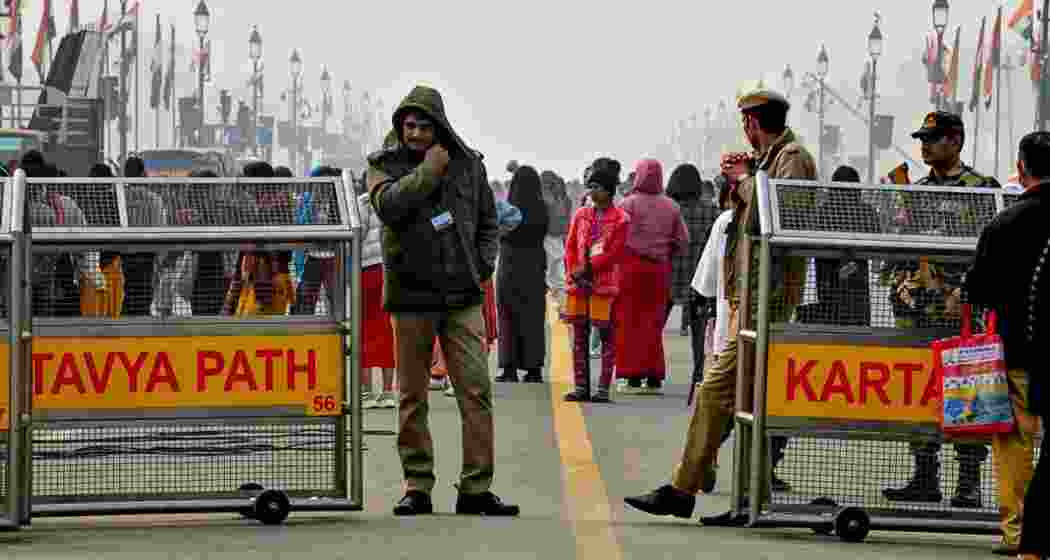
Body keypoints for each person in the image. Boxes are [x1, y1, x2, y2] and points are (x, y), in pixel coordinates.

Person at [625, 87, 816, 525]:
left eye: (746, 123)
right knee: (745, 404)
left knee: (718, 393)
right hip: (748, 299)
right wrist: (739, 182)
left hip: (770, 302)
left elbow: (782, 213)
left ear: (753, 123)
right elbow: (744, 217)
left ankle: (684, 487)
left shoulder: (793, 159)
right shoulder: (770, 161)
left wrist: (746, 179)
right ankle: (740, 498)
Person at [367, 85, 518, 517]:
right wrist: (429, 172)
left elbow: (489, 222)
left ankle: (475, 488)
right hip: (411, 296)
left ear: (440, 127)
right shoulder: (384, 166)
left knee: (476, 390)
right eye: (408, 126)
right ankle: (417, 486)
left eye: (423, 126)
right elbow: (389, 207)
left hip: (462, 295)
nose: (414, 133)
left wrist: (482, 265)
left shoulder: (469, 166)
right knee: (412, 396)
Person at [881, 111, 1000, 511]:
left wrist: (965, 292)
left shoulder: (983, 189)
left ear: (956, 141)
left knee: (969, 393)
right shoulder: (912, 191)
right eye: (922, 139)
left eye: (933, 138)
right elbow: (900, 245)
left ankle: (969, 483)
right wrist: (901, 282)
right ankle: (924, 476)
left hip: (962, 310)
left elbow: (991, 254)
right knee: (920, 392)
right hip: (920, 309)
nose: (925, 146)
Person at [965, 131, 1047, 557]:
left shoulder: (1005, 223)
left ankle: (1018, 529)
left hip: (1016, 347)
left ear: (1021, 169)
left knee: (1014, 440)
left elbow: (978, 288)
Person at [614, 159, 689, 395]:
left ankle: (631, 375)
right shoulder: (672, 207)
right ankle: (654, 375)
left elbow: (616, 237)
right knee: (653, 323)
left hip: (631, 268)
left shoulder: (628, 204)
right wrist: (665, 252)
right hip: (659, 270)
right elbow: (683, 241)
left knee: (628, 322)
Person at [562, 157, 629, 403]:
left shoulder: (621, 219)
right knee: (579, 336)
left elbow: (615, 253)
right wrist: (574, 271)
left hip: (604, 285)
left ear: (609, 191)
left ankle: (602, 389)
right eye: (590, 187)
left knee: (606, 336)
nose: (591, 192)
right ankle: (581, 387)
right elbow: (570, 246)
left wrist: (589, 268)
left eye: (597, 187)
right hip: (578, 284)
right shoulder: (581, 215)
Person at [796, 165, 878, 326]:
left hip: (828, 280)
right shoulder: (866, 211)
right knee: (857, 324)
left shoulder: (825, 210)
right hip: (856, 282)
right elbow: (877, 241)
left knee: (831, 321)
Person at [495, 165, 549, 383]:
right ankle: (533, 368)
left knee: (508, 317)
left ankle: (509, 367)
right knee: (533, 319)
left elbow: (499, 232)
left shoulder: (507, 209)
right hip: (534, 266)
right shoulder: (542, 209)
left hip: (509, 266)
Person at [666, 164, 719, 385]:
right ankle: (698, 374)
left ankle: (649, 372)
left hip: (669, 276)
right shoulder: (712, 212)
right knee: (699, 330)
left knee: (653, 327)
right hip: (700, 279)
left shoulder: (668, 210)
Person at [355, 169, 397, 410]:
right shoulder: (397, 201)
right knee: (387, 330)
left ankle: (367, 393)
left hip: (367, 270)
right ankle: (389, 392)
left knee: (365, 331)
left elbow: (356, 235)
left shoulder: (362, 202)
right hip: (391, 271)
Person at [541, 170, 572, 310]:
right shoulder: (564, 198)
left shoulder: (548, 198)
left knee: (551, 276)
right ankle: (562, 306)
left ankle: (558, 307)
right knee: (557, 276)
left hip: (548, 238)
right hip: (558, 239)